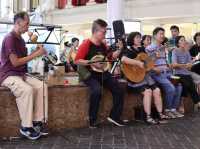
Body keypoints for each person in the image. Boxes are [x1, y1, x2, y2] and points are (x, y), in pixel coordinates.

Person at [0, 12, 48, 140]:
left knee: (41, 86)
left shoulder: (21, 39)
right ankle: (26, 127)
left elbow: (24, 59)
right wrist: (36, 54)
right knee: (27, 90)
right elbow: (15, 62)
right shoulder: (9, 38)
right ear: (18, 23)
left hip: (20, 73)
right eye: (27, 24)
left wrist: (37, 51)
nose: (28, 27)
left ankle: (37, 122)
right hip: (8, 74)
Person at [75, 19, 125, 128]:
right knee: (97, 90)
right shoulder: (86, 44)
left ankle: (114, 116)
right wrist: (93, 62)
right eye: (103, 32)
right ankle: (92, 120)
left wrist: (120, 49)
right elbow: (77, 60)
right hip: (89, 74)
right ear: (95, 31)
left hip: (102, 73)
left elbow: (110, 57)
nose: (105, 34)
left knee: (118, 89)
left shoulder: (103, 45)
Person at [121, 32, 169, 124]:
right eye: (137, 37)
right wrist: (138, 63)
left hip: (144, 75)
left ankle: (160, 114)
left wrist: (155, 57)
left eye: (140, 37)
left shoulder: (142, 49)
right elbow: (123, 59)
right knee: (148, 91)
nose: (139, 39)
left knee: (157, 90)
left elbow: (147, 63)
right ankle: (148, 117)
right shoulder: (129, 50)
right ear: (132, 39)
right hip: (134, 77)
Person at [146, 27, 183, 118]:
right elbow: (147, 63)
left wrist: (168, 66)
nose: (163, 36)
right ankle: (167, 110)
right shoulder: (149, 48)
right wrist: (155, 58)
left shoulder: (163, 47)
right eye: (160, 34)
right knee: (171, 88)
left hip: (167, 72)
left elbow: (164, 60)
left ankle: (173, 109)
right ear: (155, 36)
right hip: (156, 74)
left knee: (179, 86)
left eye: (163, 34)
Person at [172, 35, 200, 108]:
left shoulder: (187, 52)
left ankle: (197, 102)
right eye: (181, 40)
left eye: (184, 40)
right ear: (178, 43)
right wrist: (184, 65)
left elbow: (189, 65)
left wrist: (192, 62)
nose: (184, 41)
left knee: (191, 84)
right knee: (187, 84)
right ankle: (182, 104)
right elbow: (174, 64)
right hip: (178, 73)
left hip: (187, 73)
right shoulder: (175, 51)